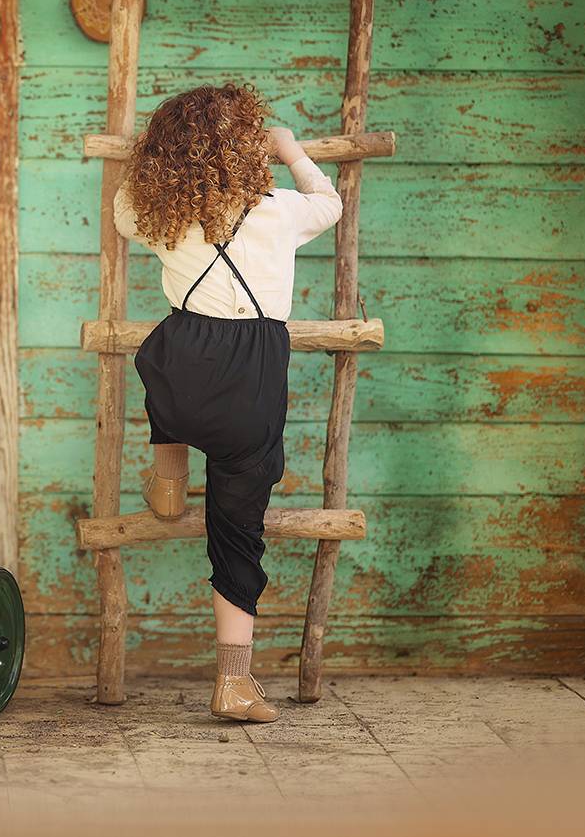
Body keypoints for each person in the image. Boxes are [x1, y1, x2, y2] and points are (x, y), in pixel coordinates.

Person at [113, 83, 342, 723]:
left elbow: (123, 207)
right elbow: (330, 203)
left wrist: (153, 155)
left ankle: (167, 478)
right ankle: (234, 683)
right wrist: (290, 149)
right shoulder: (280, 210)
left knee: (163, 358)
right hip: (250, 380)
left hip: (180, 374)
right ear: (248, 149)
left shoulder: (161, 213)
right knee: (238, 530)